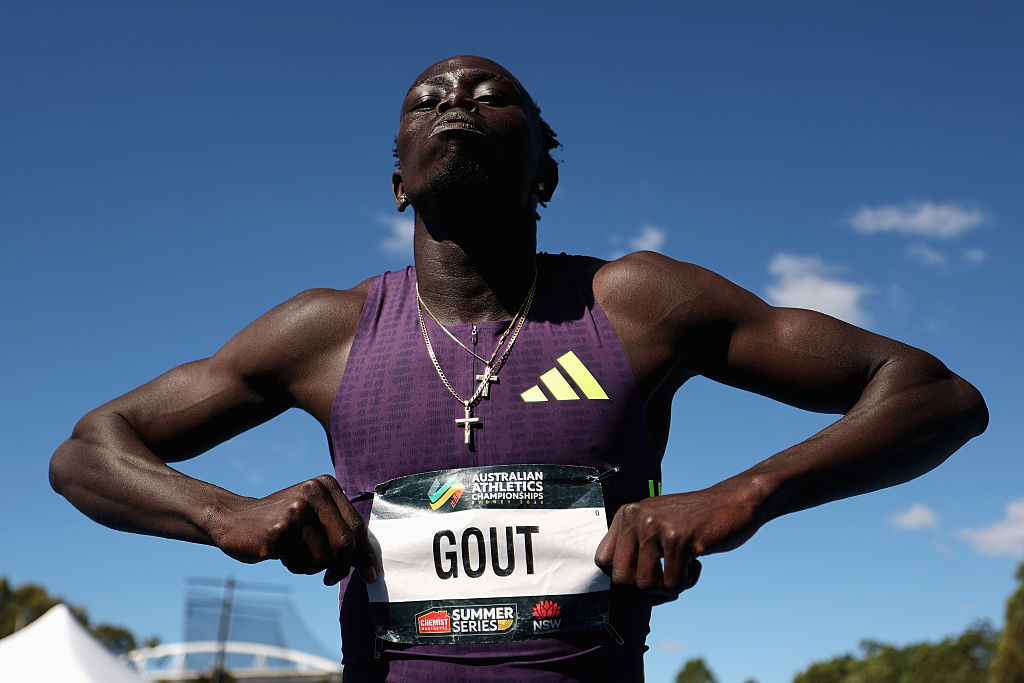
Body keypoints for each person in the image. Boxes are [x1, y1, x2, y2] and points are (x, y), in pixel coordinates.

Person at [50, 55, 988, 681]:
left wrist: (745, 492)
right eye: (427, 98)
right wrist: (230, 514)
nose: (455, 96)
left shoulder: (636, 302)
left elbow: (936, 394)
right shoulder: (324, 332)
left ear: (544, 173)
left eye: (490, 94)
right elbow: (88, 449)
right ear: (397, 179)